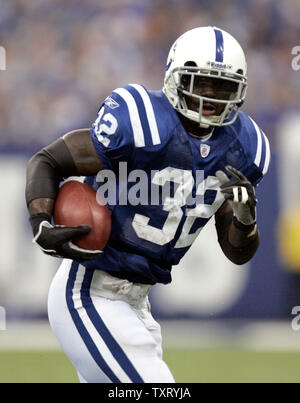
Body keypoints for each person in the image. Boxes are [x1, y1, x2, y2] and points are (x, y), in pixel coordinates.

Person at [25, 26, 270, 383]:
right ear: (175, 77)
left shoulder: (243, 148)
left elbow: (236, 251)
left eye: (223, 87)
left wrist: (246, 220)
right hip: (88, 293)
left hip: (137, 305)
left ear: (240, 92)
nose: (210, 96)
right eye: (200, 83)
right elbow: (48, 161)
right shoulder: (140, 120)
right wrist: (41, 223)